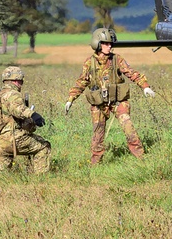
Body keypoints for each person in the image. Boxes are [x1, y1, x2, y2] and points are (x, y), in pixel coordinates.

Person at [65, 27, 155, 165]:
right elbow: (81, 82)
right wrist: (71, 99)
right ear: (98, 44)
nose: (110, 46)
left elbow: (132, 73)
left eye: (110, 43)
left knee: (128, 125)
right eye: (106, 43)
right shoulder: (90, 63)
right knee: (97, 134)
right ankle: (95, 164)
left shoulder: (117, 59)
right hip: (99, 104)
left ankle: (141, 158)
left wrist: (145, 87)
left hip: (118, 102)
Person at [0, 66, 51, 173]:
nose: (21, 84)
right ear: (16, 81)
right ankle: (40, 179)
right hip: (13, 139)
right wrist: (33, 115)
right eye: (21, 81)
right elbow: (18, 109)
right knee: (43, 146)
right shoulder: (13, 94)